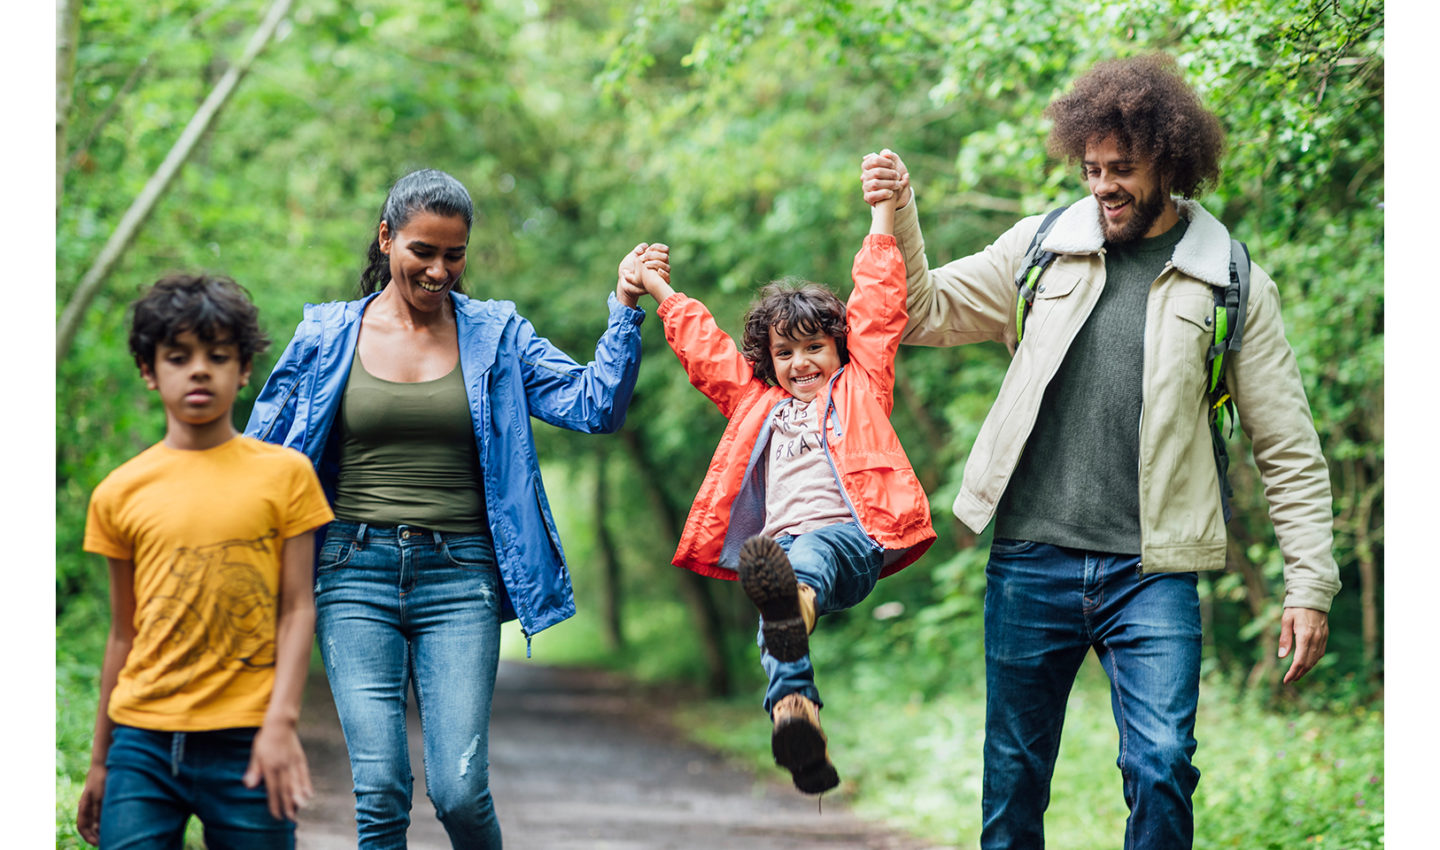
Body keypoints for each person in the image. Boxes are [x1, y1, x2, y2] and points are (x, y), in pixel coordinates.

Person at [859, 54, 1341, 848]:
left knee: (1162, 764)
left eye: (1123, 170)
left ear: (1170, 164)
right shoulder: (1043, 247)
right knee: (1013, 778)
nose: (1104, 186)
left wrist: (1309, 585)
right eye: (1092, 170)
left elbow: (1288, 448)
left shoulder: (1230, 280)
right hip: (1030, 557)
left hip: (1153, 570)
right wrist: (900, 211)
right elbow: (917, 310)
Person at [244, 168, 647, 848]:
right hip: (351, 571)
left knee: (459, 793)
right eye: (422, 251)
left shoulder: (497, 335)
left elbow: (594, 405)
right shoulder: (325, 336)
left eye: (453, 255)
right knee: (380, 789)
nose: (438, 271)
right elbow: (262, 454)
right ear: (386, 238)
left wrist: (625, 308)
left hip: (461, 578)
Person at [626, 188, 936, 795]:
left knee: (804, 565)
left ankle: (794, 603)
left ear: (839, 347)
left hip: (853, 538)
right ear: (769, 361)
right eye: (785, 353)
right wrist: (660, 290)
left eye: (814, 347)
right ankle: (798, 719)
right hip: (785, 547)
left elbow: (877, 302)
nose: (801, 363)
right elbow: (707, 353)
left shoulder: (862, 385)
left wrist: (883, 211)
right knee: (773, 616)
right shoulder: (756, 404)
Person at [76, 273, 334, 848]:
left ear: (243, 370)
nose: (199, 370)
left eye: (218, 356)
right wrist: (100, 760)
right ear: (149, 370)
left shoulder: (286, 476)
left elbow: (298, 609)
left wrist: (281, 723)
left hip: (249, 739)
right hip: (141, 742)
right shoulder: (118, 492)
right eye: (178, 357)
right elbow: (123, 633)